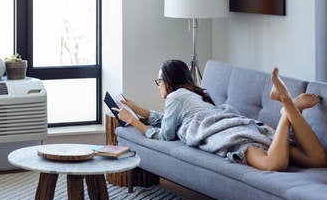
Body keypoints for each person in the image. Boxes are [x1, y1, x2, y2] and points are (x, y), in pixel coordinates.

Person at [117, 59, 327, 171]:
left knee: (273, 163)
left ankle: (286, 109)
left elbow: (165, 134)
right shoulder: (191, 94)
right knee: (318, 160)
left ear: (170, 82)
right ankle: (290, 108)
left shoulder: (175, 97)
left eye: (159, 81)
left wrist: (133, 121)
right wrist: (137, 108)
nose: (158, 86)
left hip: (226, 134)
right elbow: (166, 118)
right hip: (240, 124)